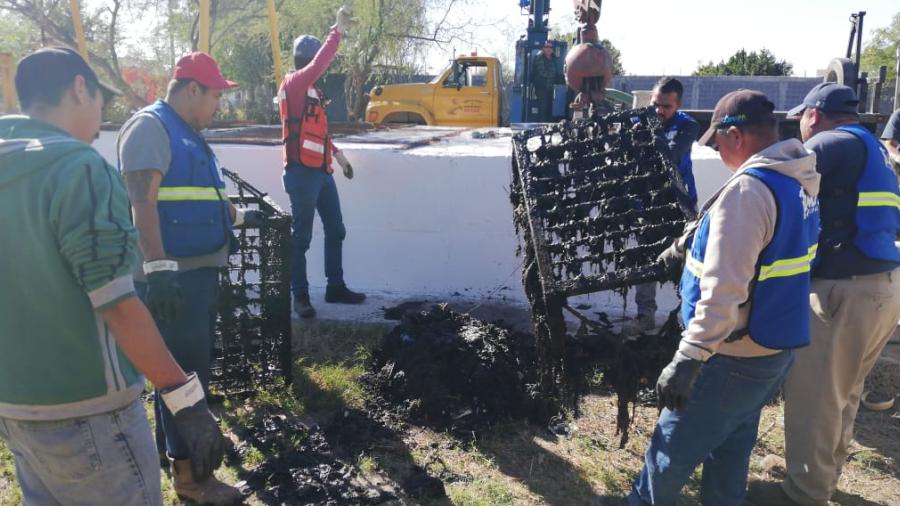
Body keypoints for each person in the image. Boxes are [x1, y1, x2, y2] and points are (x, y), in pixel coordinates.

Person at [0, 47, 224, 506]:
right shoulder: (78, 169)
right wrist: (188, 403)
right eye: (100, 103)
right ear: (80, 88)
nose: (101, 118)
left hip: (16, 408)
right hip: (89, 410)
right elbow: (118, 304)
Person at [628, 90, 820, 506]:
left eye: (717, 144)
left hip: (728, 356)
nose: (716, 152)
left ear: (735, 135)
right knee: (730, 447)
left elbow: (725, 288)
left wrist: (689, 358)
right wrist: (685, 245)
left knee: (669, 453)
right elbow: (766, 251)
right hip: (770, 352)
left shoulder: (748, 192)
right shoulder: (797, 180)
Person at [747, 83, 900, 506]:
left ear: (813, 115)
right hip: (882, 287)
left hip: (844, 291)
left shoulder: (830, 143)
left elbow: (769, 171)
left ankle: (803, 496)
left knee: (814, 396)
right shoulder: (874, 149)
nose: (801, 124)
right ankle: (823, 478)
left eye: (802, 118)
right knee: (844, 392)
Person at [117, 51, 253, 503]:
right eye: (215, 95)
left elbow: (191, 196)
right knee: (185, 379)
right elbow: (143, 204)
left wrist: (233, 215)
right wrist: (158, 273)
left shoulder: (189, 135)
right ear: (192, 90)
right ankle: (192, 481)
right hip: (173, 282)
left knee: (180, 375)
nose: (219, 105)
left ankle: (177, 460)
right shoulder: (151, 127)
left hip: (194, 277)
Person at [280, 5, 365, 319]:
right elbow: (320, 63)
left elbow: (318, 135)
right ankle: (300, 298)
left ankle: (335, 287)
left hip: (321, 172)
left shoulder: (312, 92)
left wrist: (340, 158)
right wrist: (337, 32)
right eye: (316, 60)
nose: (322, 68)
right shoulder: (296, 84)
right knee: (300, 239)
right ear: (308, 59)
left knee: (336, 229)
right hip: (302, 174)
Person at [624, 77, 700, 335]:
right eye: (655, 104)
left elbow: (671, 154)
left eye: (666, 107)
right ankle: (645, 316)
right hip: (646, 205)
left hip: (680, 204)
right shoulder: (638, 122)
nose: (658, 111)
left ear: (678, 105)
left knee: (687, 261)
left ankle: (689, 320)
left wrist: (646, 135)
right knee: (646, 261)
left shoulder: (687, 126)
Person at [530, 40, 562, 122]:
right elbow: (542, 72)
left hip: (551, 87)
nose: (549, 49)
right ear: (543, 48)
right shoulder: (539, 57)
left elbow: (556, 71)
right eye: (546, 47)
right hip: (541, 87)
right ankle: (541, 127)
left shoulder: (553, 58)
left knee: (550, 108)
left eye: (550, 47)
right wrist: (553, 75)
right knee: (542, 108)